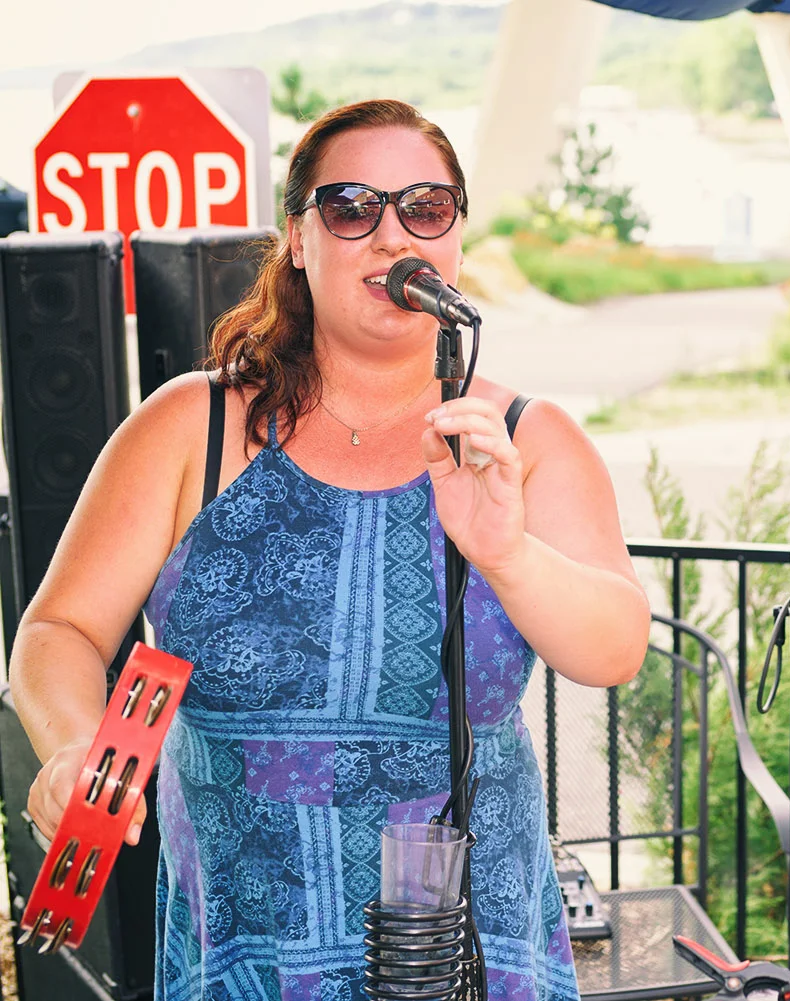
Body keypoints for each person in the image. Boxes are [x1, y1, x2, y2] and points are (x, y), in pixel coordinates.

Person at [9, 98, 651, 1001]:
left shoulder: (528, 438)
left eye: (425, 207)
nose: (392, 233)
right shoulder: (187, 426)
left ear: (456, 238)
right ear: (299, 241)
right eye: (354, 207)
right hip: (248, 944)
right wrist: (79, 750)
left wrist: (506, 551)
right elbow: (59, 629)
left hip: (466, 949)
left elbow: (614, 646)